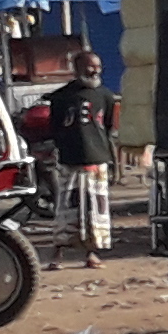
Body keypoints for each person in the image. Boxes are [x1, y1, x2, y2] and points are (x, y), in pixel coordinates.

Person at [41, 49, 117, 268]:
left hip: (97, 160)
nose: (95, 71)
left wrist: (109, 159)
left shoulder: (106, 96)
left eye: (98, 67)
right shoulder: (61, 97)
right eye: (90, 66)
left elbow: (108, 127)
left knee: (94, 212)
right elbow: (55, 128)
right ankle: (57, 256)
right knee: (65, 211)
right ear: (77, 69)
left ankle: (91, 255)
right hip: (70, 161)